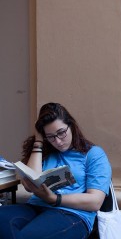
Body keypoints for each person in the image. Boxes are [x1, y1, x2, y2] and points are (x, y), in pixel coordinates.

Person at [0, 102, 112, 239]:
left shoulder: (93, 154)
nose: (58, 141)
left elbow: (95, 201)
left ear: (71, 126)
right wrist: (38, 141)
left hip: (72, 213)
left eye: (61, 133)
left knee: (27, 236)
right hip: (36, 206)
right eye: (51, 137)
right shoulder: (46, 152)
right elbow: (30, 184)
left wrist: (55, 199)